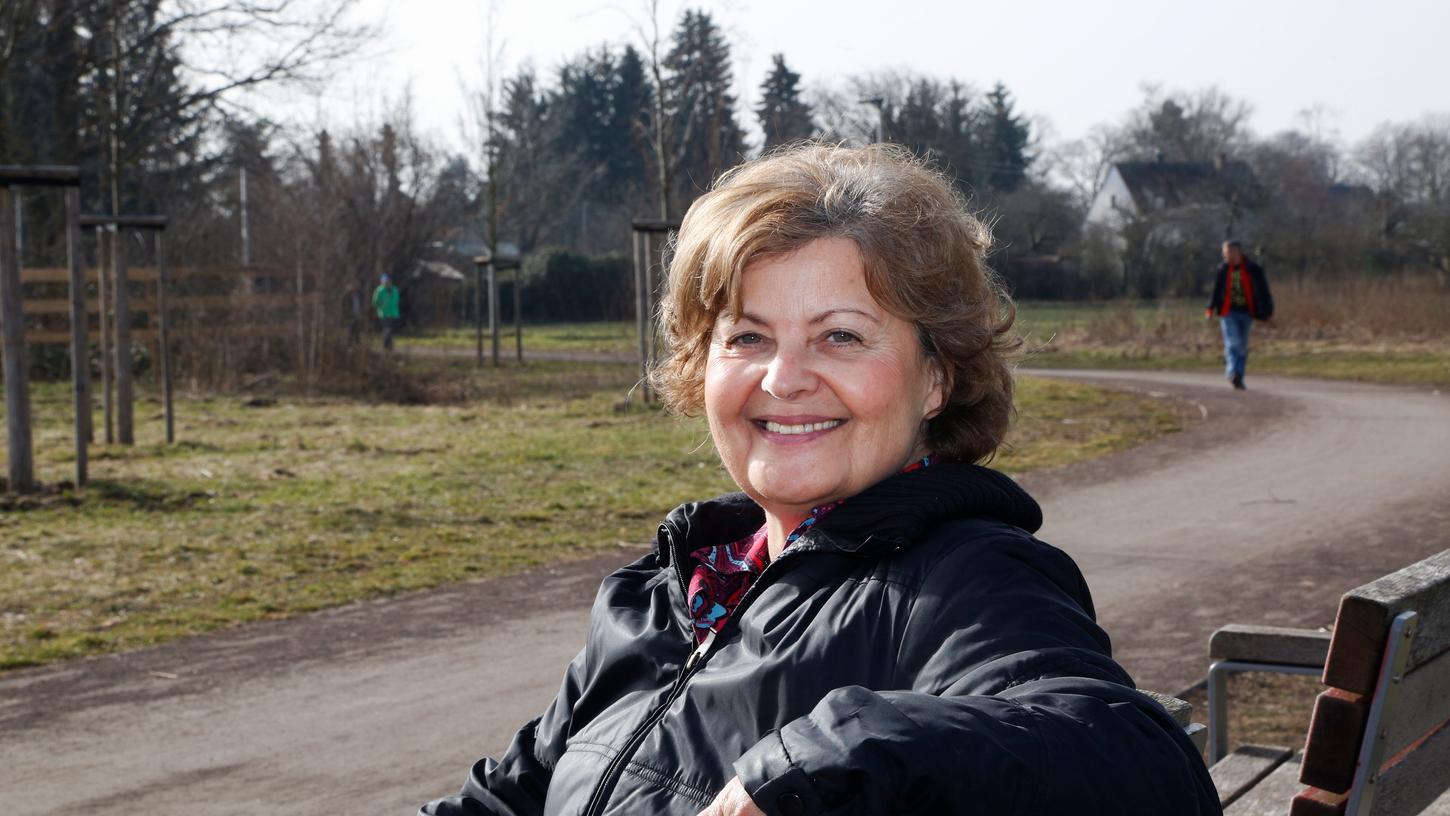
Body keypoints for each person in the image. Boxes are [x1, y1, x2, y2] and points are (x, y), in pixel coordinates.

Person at [421, 144, 1220, 816]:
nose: (785, 377)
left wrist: (822, 760)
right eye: (747, 336)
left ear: (937, 378)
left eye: (840, 336)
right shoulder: (661, 596)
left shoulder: (961, 581)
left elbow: (1142, 766)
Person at [1205, 240, 1273, 389]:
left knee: (1242, 345)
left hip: (1247, 312)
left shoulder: (1253, 269)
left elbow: (1263, 291)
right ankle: (1231, 371)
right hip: (1227, 312)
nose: (1226, 255)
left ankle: (1238, 376)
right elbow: (1216, 291)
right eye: (1224, 253)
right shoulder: (1222, 269)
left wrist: (1268, 311)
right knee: (1233, 342)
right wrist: (1210, 308)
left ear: (1238, 252)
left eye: (1228, 252)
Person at [374, 273, 401, 350]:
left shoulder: (395, 290)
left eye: (388, 281)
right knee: (387, 329)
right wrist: (382, 305)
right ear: (382, 282)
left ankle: (389, 345)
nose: (387, 283)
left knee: (391, 330)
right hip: (384, 314)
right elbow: (375, 302)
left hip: (394, 313)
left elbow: (397, 301)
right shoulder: (379, 290)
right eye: (385, 281)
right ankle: (386, 345)